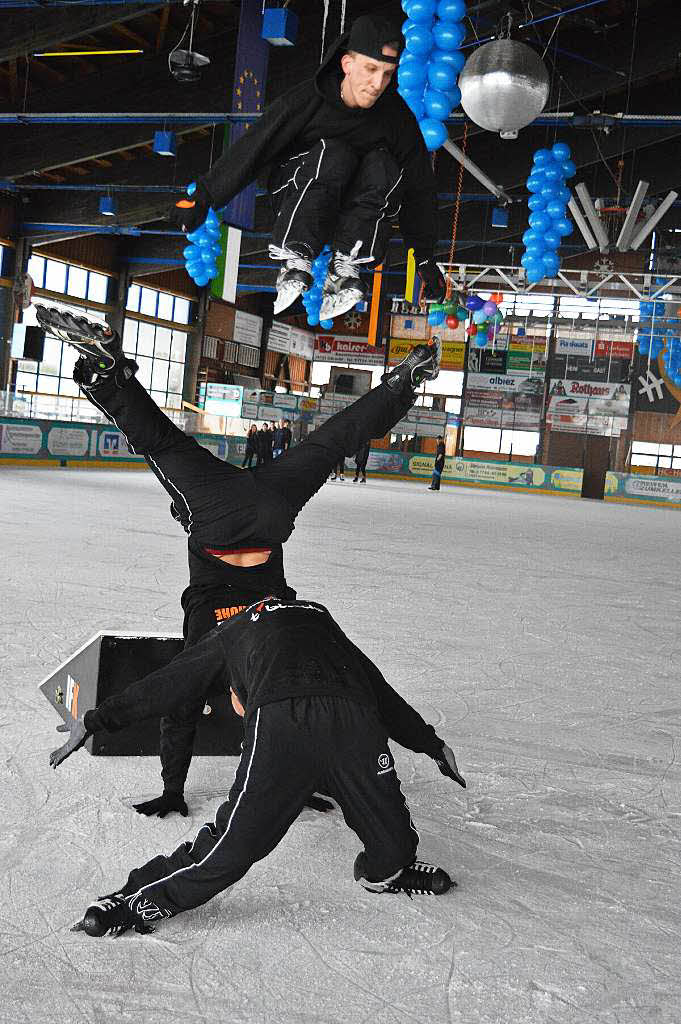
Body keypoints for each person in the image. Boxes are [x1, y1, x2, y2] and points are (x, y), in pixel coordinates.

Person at [35, 303, 441, 818]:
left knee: (330, 442)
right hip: (215, 514)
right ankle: (108, 371)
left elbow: (337, 688)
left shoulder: (284, 631)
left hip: (268, 508)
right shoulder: (215, 637)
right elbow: (176, 704)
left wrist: (175, 791)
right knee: (158, 443)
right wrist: (171, 789)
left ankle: (402, 384)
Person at [50, 596, 466, 937]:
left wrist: (94, 720)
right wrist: (430, 742)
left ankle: (133, 902)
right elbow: (378, 687)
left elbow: (166, 685)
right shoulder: (319, 616)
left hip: (286, 724)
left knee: (233, 846)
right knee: (395, 849)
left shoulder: (230, 634)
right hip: (355, 721)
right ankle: (388, 870)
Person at [171, 14, 446, 321]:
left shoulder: (397, 119)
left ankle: (347, 262)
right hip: (297, 191)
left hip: (351, 210)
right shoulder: (308, 100)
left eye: (386, 73)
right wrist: (206, 194)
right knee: (336, 153)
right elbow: (256, 145)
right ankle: (295, 254)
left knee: (383, 165)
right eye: (370, 70)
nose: (377, 84)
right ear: (347, 64)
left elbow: (420, 186)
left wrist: (423, 256)